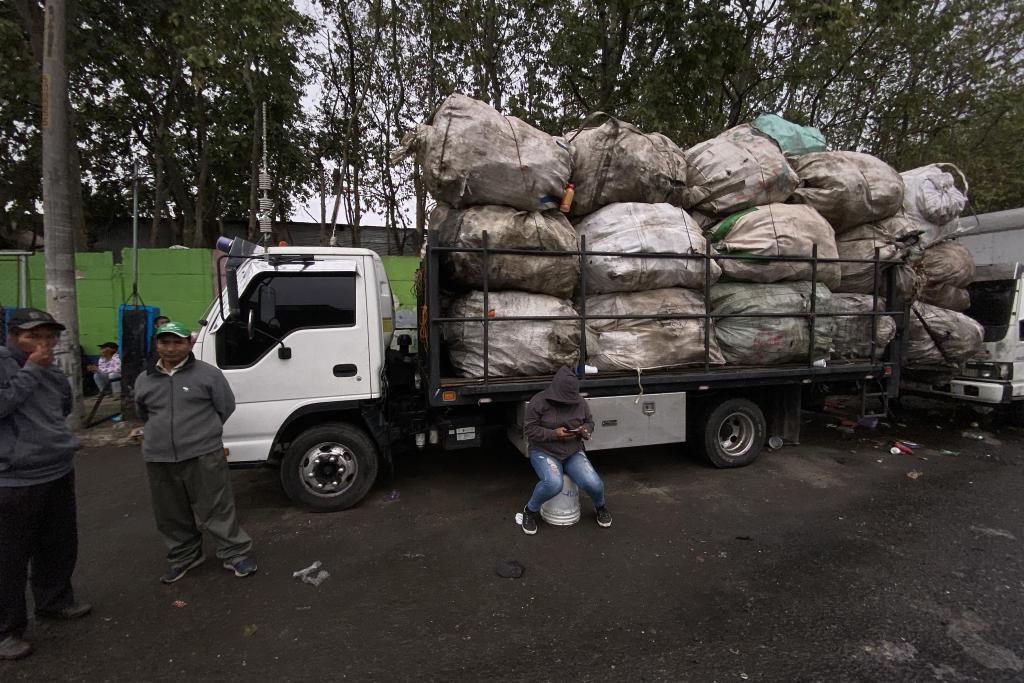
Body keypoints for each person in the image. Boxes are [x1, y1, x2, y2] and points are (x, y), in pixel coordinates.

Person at [134, 321, 257, 583]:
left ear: (189, 345)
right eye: (164, 342)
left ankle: (235, 553)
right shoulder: (145, 379)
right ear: (156, 345)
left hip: (203, 453)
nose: (170, 348)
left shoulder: (208, 375)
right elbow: (142, 413)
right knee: (170, 512)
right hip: (159, 456)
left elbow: (226, 406)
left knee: (217, 507)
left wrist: (203, 433)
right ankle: (184, 556)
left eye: (177, 342)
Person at [0, 309, 91, 661]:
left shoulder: (52, 369)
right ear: (13, 335)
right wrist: (33, 369)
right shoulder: (10, 364)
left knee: (58, 543)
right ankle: (7, 629)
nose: (43, 343)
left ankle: (54, 601)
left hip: (56, 469)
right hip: (14, 478)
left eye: (49, 337)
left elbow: (62, 407)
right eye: (33, 336)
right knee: (9, 557)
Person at [520, 365, 612, 535]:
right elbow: (529, 430)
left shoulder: (580, 402)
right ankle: (530, 511)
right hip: (543, 451)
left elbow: (590, 422)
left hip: (572, 451)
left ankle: (601, 507)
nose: (568, 403)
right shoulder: (538, 402)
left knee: (595, 483)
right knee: (553, 483)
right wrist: (553, 434)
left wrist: (586, 430)